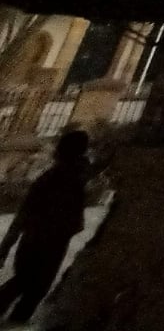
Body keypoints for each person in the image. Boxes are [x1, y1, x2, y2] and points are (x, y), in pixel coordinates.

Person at [0, 129, 90, 325]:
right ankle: (16, 320)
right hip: (48, 240)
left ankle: (15, 320)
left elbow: (23, 214)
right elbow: (26, 213)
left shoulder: (59, 177)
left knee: (27, 283)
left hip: (39, 238)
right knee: (33, 285)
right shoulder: (69, 177)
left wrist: (6, 245)